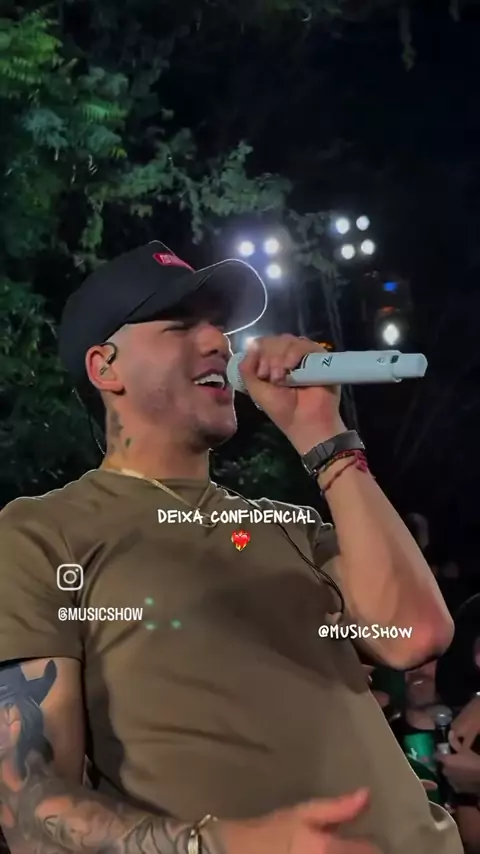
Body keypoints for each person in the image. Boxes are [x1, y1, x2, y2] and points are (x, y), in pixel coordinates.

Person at [0, 240, 461, 854]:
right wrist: (222, 843)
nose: (219, 341)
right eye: (180, 325)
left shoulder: (290, 526)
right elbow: (28, 809)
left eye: (219, 325)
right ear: (106, 367)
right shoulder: (43, 531)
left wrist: (324, 437)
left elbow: (416, 635)